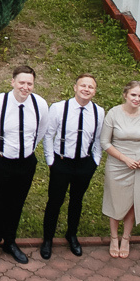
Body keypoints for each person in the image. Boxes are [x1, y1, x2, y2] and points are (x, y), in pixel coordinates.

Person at [0, 65, 49, 266]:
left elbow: (41, 130)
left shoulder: (40, 105)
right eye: (22, 82)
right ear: (13, 82)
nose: (25, 87)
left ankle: (10, 242)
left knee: (17, 203)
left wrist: (28, 150)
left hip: (26, 163)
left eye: (29, 83)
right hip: (1, 162)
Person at [39, 73, 104, 259]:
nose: (86, 89)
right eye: (83, 85)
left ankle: (72, 235)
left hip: (84, 164)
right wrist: (51, 160)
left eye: (90, 87)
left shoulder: (99, 112)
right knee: (55, 201)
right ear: (75, 87)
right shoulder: (59, 108)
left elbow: (98, 139)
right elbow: (48, 135)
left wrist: (95, 161)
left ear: (94, 91)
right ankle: (48, 239)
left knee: (77, 201)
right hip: (61, 163)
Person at [100, 80, 140, 259]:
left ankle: (126, 238)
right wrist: (124, 159)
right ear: (125, 95)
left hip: (139, 166)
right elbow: (104, 142)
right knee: (116, 201)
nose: (137, 99)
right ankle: (114, 237)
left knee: (133, 202)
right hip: (118, 165)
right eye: (133, 95)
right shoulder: (113, 114)